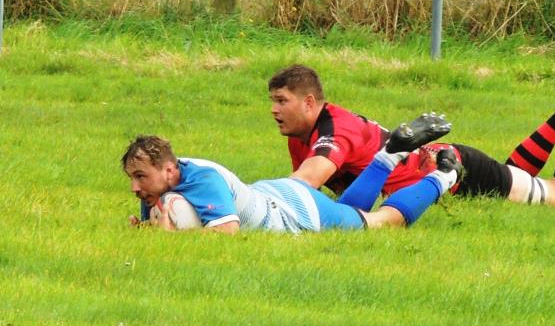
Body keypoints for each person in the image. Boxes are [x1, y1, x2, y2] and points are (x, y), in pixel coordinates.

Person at [268, 64, 555, 209]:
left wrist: (251, 201)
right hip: (451, 165)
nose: (274, 109)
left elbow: (301, 188)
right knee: (513, 174)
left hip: (459, 172)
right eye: (272, 101)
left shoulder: (333, 133)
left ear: (309, 102)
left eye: (281, 101)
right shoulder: (300, 130)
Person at [123, 113, 462, 233]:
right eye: (133, 178)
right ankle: (389, 154)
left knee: (382, 222)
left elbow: (226, 233)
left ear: (168, 169)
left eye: (140, 176)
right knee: (351, 211)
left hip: (297, 212)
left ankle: (446, 176)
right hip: (277, 193)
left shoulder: (202, 181)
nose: (135, 187)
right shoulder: (163, 184)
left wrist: (172, 240)